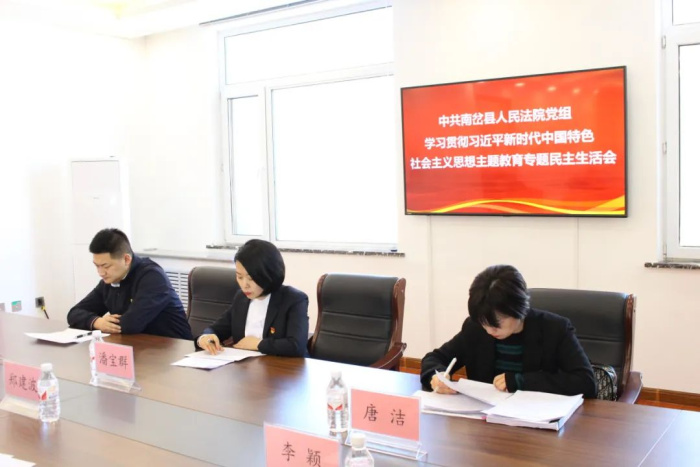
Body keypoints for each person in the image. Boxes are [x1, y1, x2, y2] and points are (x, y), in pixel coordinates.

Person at [421, 265, 597, 398]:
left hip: (538, 422)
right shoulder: (475, 329)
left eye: (497, 323)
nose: (489, 330)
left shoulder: (555, 329)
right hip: (486, 423)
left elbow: (586, 382)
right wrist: (436, 377)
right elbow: (433, 358)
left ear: (519, 309)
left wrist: (521, 381)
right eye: (484, 323)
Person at [67, 228, 193, 340]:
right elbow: (74, 313)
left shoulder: (152, 277)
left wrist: (106, 323)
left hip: (173, 350)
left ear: (126, 259)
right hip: (137, 347)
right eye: (97, 266)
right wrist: (97, 322)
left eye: (106, 266)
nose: (100, 272)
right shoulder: (109, 281)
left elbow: (130, 324)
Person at [195, 239, 309, 357]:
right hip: (247, 365)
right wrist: (204, 338)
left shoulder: (294, 300)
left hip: (284, 367)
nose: (244, 285)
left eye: (251, 278)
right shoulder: (241, 298)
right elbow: (217, 328)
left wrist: (258, 344)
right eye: (239, 277)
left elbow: (296, 346)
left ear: (268, 274)